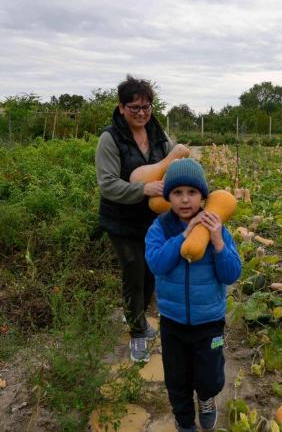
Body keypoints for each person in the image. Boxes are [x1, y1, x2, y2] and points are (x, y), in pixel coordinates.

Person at [145, 158, 242, 432]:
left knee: (209, 375)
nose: (185, 200)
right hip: (173, 321)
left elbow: (231, 274)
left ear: (203, 196)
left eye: (192, 192)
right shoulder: (160, 229)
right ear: (168, 197)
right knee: (177, 379)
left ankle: (207, 398)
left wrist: (218, 243)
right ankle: (184, 420)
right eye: (177, 193)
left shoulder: (218, 228)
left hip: (209, 321)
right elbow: (156, 264)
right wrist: (184, 236)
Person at [95, 75, 172, 363]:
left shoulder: (157, 133)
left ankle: (140, 321)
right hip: (121, 220)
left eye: (146, 106)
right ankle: (137, 332)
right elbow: (108, 184)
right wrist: (144, 189)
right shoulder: (110, 138)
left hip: (153, 219)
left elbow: (170, 165)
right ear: (121, 107)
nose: (141, 113)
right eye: (135, 107)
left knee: (151, 270)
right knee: (133, 273)